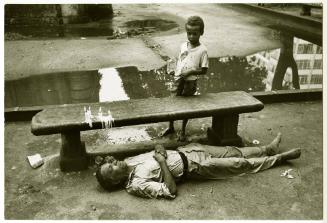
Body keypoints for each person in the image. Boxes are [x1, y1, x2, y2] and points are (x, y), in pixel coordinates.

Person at [95, 133, 301, 199]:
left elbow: (156, 149)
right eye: (111, 168)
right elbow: (170, 191)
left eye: (110, 162)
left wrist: (160, 148)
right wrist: (162, 162)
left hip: (190, 150)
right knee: (240, 164)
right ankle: (280, 159)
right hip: (196, 167)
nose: (113, 162)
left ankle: (268, 149)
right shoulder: (135, 185)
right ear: (115, 180)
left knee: (233, 151)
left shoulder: (130, 161)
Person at [161, 15, 209, 141]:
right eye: (189, 33)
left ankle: (182, 131)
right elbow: (180, 60)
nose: (191, 36)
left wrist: (192, 71)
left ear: (201, 33)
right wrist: (173, 69)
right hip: (179, 79)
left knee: (186, 106)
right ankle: (171, 126)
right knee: (173, 102)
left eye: (195, 33)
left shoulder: (203, 50)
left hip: (190, 82)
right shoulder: (183, 46)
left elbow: (204, 70)